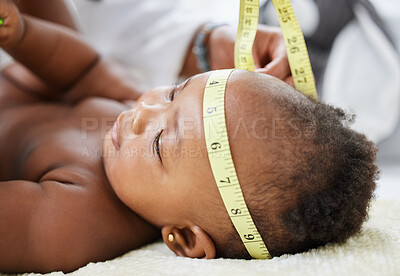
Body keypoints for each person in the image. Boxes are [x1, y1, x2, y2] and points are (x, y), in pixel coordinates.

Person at [0, 0, 378, 273]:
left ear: (183, 238)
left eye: (159, 144)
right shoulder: (140, 118)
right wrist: (23, 34)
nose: (141, 112)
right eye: (173, 92)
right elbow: (86, 69)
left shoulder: (82, 216)